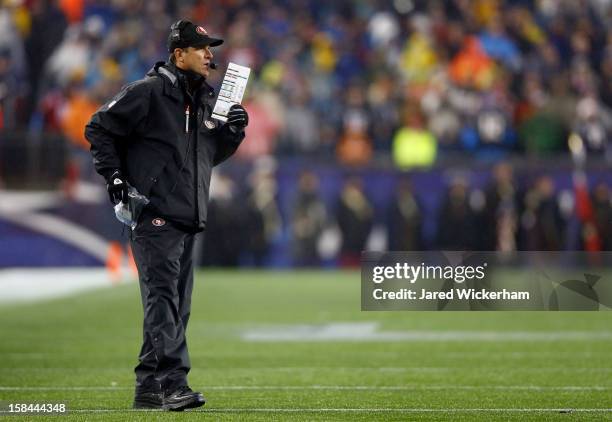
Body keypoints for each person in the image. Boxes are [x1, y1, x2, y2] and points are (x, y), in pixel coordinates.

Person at [84, 19, 249, 411]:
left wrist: (233, 134)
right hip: (153, 214)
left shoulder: (207, 101)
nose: (210, 54)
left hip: (188, 215)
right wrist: (116, 179)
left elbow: (208, 157)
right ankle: (174, 383)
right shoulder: (149, 92)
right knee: (164, 301)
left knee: (174, 305)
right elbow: (98, 128)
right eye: (202, 48)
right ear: (179, 54)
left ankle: (148, 387)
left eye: (211, 48)